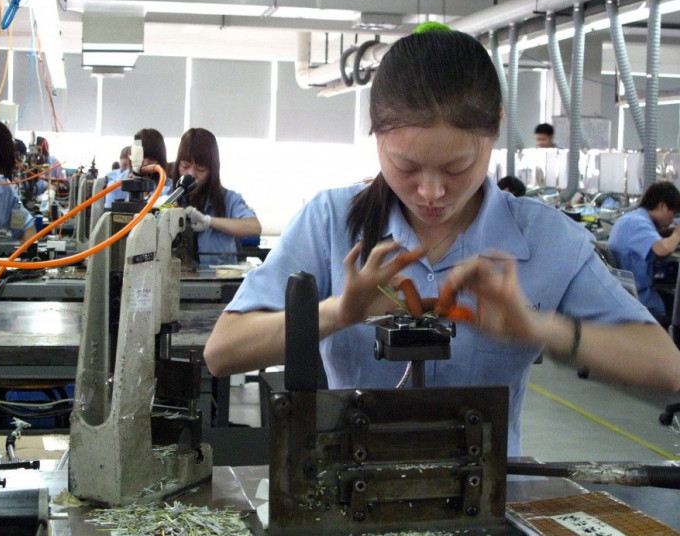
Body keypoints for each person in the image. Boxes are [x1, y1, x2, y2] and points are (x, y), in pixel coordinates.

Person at [203, 26, 680, 457]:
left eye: (457, 168)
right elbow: (223, 352)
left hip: (488, 500)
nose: (431, 193)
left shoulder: (548, 239)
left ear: (494, 129)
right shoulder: (330, 221)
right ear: (374, 129)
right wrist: (340, 311)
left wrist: (539, 328)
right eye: (406, 167)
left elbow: (667, 368)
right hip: (350, 489)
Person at [172, 128, 261, 265]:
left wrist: (209, 222)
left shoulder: (228, 199)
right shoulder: (168, 197)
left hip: (215, 283)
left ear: (213, 170)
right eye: (185, 166)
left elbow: (254, 227)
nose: (191, 174)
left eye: (201, 169)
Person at [608, 182, 680, 319]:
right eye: (673, 214)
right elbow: (662, 248)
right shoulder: (638, 223)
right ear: (662, 206)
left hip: (624, 298)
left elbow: (655, 235)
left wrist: (670, 233)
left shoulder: (631, 219)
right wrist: (677, 234)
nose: (672, 220)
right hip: (642, 302)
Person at [106, 130, 172, 209]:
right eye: (143, 156)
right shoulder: (116, 186)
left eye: (152, 158)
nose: (146, 163)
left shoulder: (168, 188)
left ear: (160, 160)